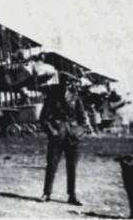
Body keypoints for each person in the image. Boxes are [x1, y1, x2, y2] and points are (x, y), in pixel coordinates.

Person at [39, 76, 89, 205]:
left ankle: (72, 195)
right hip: (57, 135)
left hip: (73, 136)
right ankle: (47, 193)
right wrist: (52, 131)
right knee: (52, 164)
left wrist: (79, 132)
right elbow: (43, 118)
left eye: (68, 83)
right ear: (59, 83)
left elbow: (83, 118)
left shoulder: (75, 97)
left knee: (72, 166)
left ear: (71, 84)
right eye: (63, 83)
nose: (66, 86)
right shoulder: (52, 97)